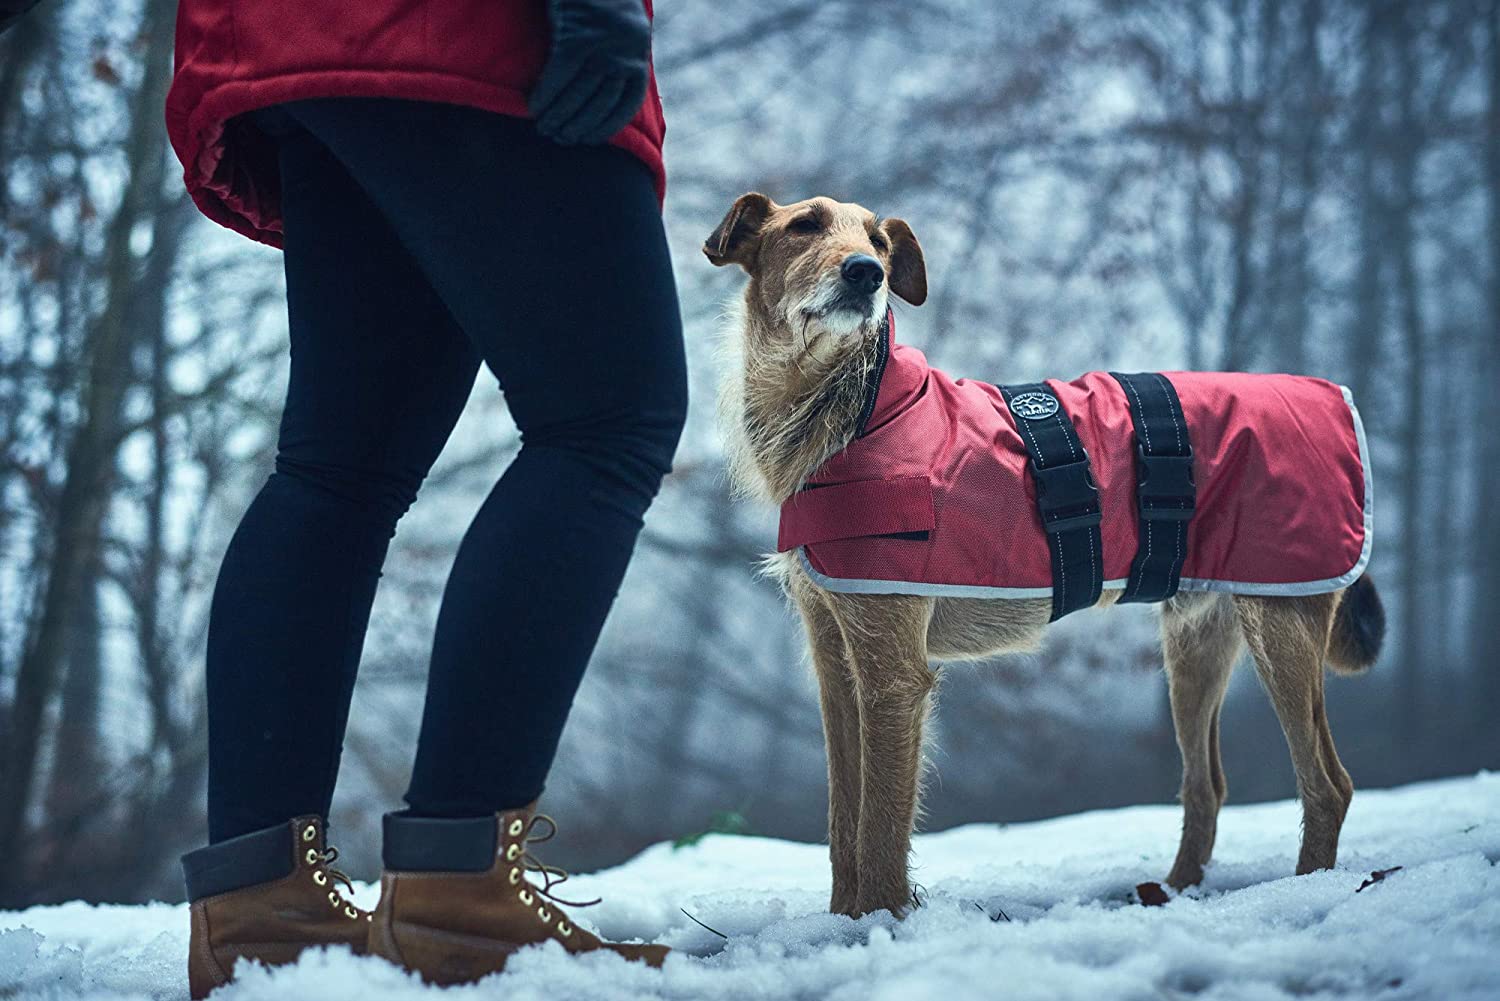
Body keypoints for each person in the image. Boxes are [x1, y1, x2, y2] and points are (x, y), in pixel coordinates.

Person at [156, 0, 685, 994]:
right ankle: (460, 888)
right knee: (610, 418)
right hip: (464, 29)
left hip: (284, 33)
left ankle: (260, 912)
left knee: (338, 468)